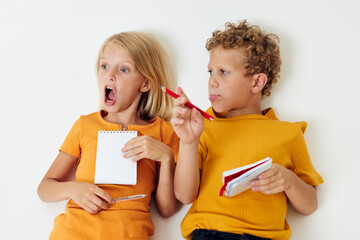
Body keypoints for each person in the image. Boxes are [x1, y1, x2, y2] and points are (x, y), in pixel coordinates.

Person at [171, 20, 324, 240]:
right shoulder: (202, 126)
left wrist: (289, 180)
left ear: (257, 82)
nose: (212, 81)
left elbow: (310, 205)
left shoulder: (288, 133)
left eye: (223, 72)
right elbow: (184, 195)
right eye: (210, 72)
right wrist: (188, 142)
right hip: (207, 233)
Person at [37, 31, 180, 240]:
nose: (110, 75)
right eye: (104, 66)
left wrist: (166, 158)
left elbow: (167, 210)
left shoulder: (163, 132)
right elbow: (44, 188)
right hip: (72, 233)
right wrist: (74, 189)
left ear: (145, 84)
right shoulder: (85, 125)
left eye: (124, 69)